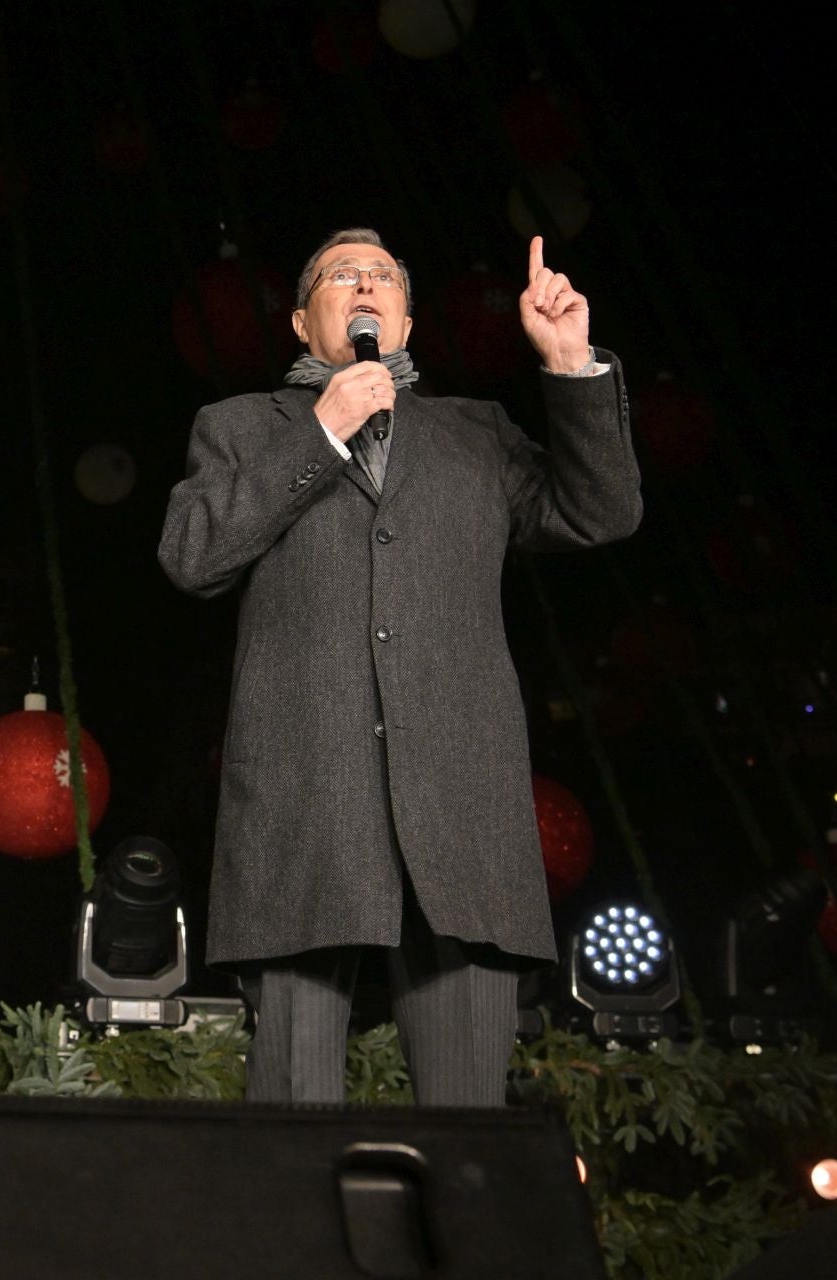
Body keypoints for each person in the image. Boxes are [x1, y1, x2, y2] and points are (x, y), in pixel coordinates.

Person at [158, 231, 640, 1107]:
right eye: (342, 275)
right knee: (294, 1118)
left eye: (383, 277)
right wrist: (323, 431)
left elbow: (600, 514)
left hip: (462, 811)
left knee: (466, 1131)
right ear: (305, 321)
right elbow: (193, 556)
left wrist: (573, 367)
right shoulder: (238, 428)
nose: (365, 284)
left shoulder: (475, 432)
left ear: (409, 320)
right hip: (306, 803)